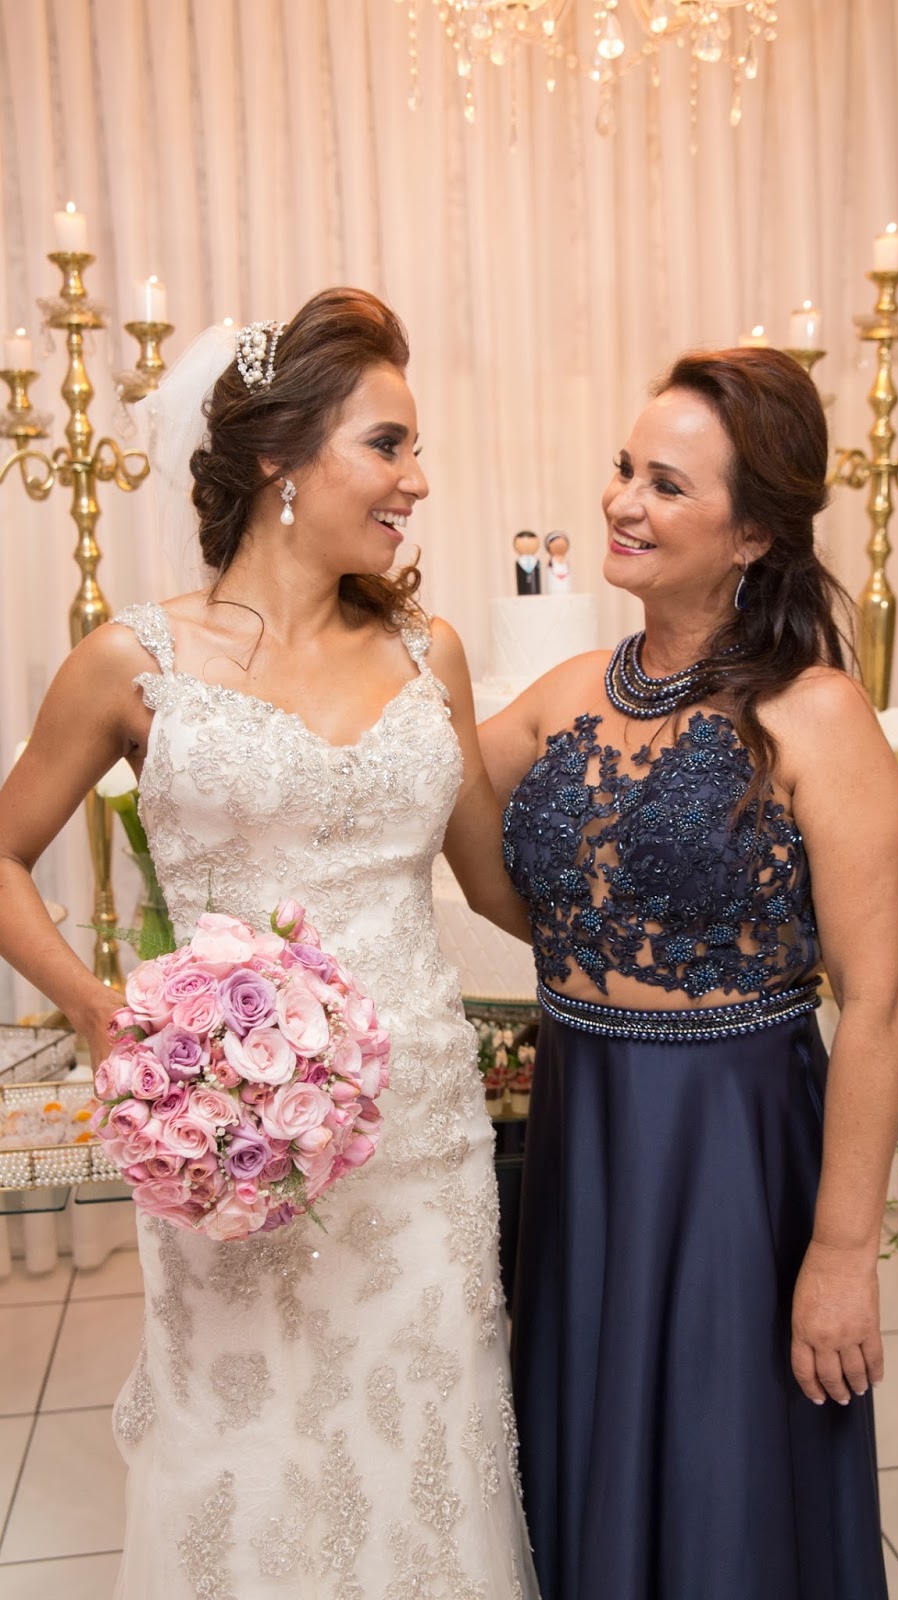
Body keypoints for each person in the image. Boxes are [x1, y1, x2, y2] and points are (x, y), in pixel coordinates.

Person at [0, 289, 539, 1598]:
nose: (418, 479)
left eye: (413, 448)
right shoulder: (131, 661)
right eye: (387, 444)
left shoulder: (428, 653)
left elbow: (495, 887)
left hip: (422, 1146)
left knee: (424, 1455)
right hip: (234, 1147)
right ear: (277, 457)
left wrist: (679, 957)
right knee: (249, 1462)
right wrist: (99, 1010)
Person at [479, 346, 898, 1600]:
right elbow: (457, 837)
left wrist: (841, 1251)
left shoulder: (815, 714)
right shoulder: (566, 696)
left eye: (666, 485)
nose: (622, 501)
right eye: (626, 469)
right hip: (582, 1124)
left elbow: (877, 999)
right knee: (587, 1454)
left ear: (753, 533)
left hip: (732, 1149)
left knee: (725, 1478)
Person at [513, 529, 542, 595]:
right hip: (522, 591)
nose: (527, 545)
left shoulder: (536, 561)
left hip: (536, 591)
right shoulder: (519, 562)